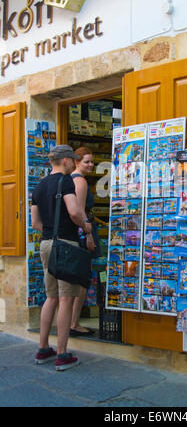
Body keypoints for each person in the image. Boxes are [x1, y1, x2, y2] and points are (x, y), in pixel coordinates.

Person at [31, 144, 92, 371]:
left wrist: (50, 231)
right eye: (73, 160)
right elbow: (75, 211)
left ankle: (43, 348)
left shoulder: (39, 186)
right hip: (65, 244)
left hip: (46, 244)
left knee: (51, 297)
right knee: (66, 299)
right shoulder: (65, 181)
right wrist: (85, 226)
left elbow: (36, 223)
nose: (74, 164)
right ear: (66, 161)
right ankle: (62, 354)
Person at [70, 146, 104, 337]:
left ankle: (72, 321)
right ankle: (75, 322)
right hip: (84, 231)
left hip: (76, 232)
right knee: (83, 278)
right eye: (87, 162)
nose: (91, 165)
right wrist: (89, 235)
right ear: (77, 162)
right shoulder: (80, 181)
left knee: (76, 278)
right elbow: (81, 211)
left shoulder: (69, 180)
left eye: (92, 162)